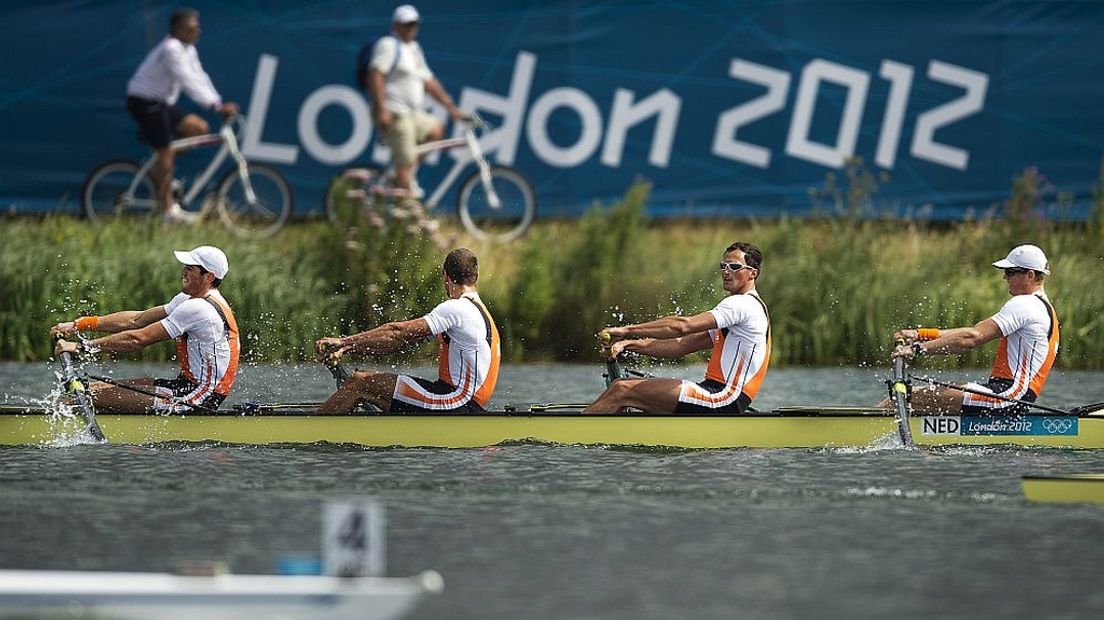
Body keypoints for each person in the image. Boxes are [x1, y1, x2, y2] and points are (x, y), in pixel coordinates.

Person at [584, 242, 771, 414]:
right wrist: (627, 345)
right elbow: (680, 345)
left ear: (753, 273)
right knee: (623, 388)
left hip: (723, 397)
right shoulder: (745, 309)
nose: (726, 272)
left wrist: (625, 330)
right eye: (723, 266)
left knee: (621, 389)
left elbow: (683, 327)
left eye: (735, 267)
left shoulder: (742, 304)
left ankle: (572, 435)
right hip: (718, 395)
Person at [50, 246, 240, 413]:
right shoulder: (188, 300)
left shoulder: (199, 309)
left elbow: (137, 339)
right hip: (183, 386)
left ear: (209, 277)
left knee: (82, 396)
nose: (183, 271)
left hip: (198, 399)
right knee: (90, 389)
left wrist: (81, 347)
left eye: (190, 269)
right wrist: (78, 325)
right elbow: (136, 320)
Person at [315, 248, 500, 413]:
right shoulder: (480, 312)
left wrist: (343, 342)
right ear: (476, 277)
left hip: (456, 401)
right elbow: (399, 342)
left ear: (446, 276)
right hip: (466, 402)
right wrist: (348, 349)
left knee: (360, 382)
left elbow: (396, 332)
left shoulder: (457, 308)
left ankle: (315, 432)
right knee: (368, 383)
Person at [887, 244, 1060, 415]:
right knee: (918, 399)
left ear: (1029, 275)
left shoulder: (1025, 304)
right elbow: (970, 332)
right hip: (1011, 398)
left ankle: (865, 439)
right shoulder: (1045, 309)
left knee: (900, 396)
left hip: (1006, 398)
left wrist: (916, 349)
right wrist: (919, 335)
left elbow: (972, 338)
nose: (1005, 278)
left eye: (1010, 272)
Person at [125, 7, 239, 223]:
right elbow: (187, 80)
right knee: (166, 151)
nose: (198, 32)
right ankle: (168, 211)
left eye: (198, 28)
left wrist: (218, 102)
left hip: (161, 103)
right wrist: (215, 107)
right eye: (192, 28)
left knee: (197, 128)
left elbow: (200, 77)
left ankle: (162, 170)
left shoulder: (188, 49)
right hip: (144, 101)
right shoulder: (171, 48)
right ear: (178, 29)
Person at [365, 4, 463, 196]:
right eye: (407, 24)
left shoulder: (414, 49)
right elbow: (375, 75)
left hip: (413, 114)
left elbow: (429, 81)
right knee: (406, 161)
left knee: (436, 130)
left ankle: (403, 175)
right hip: (395, 113)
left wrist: (451, 108)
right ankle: (406, 217)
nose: (411, 28)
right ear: (396, 26)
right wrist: (382, 109)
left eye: (414, 24)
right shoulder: (388, 45)